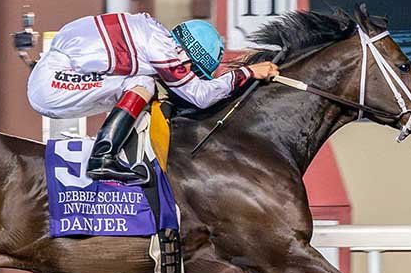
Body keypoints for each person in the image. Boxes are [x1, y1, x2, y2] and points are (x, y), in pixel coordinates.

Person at [28, 13, 279, 183]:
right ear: (187, 55)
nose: (189, 73)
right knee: (144, 82)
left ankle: (116, 152)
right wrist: (248, 71)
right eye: (192, 69)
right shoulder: (162, 49)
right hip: (52, 84)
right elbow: (201, 97)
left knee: (147, 83)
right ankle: (103, 158)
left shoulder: (152, 34)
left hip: (55, 72)